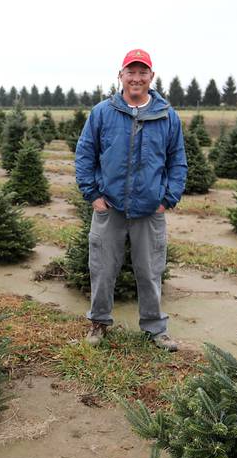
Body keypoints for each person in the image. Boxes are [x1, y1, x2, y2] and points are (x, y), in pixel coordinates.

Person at [74, 49, 187, 351]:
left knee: (150, 271)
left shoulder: (167, 116)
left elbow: (178, 161)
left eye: (142, 72)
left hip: (150, 210)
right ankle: (99, 322)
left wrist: (168, 198)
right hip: (109, 207)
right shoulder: (102, 113)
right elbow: (85, 153)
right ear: (120, 75)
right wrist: (93, 195)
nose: (136, 78)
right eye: (131, 72)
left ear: (151, 76)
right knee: (102, 268)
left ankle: (155, 329)